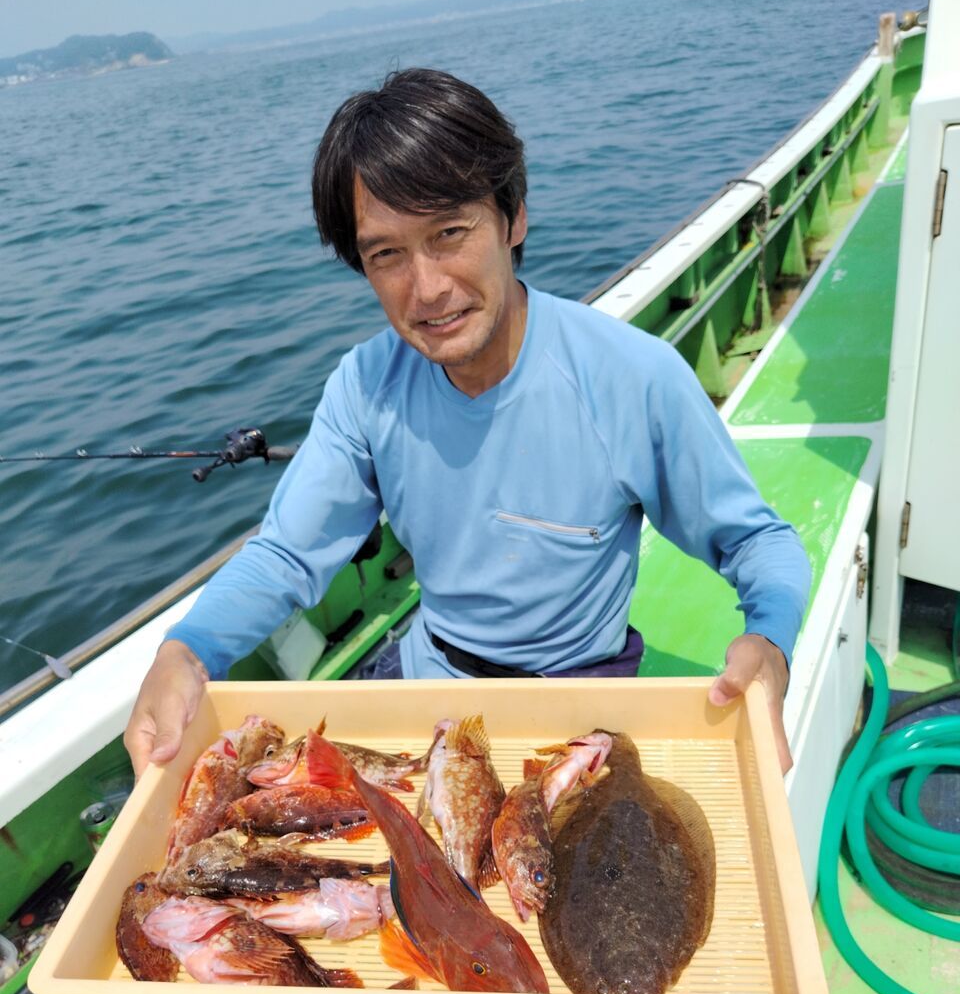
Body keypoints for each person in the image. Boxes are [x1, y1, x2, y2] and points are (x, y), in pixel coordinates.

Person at [124, 68, 810, 780]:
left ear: (514, 218)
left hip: (575, 704)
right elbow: (289, 554)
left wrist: (771, 643)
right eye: (386, 255)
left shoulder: (632, 378)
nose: (427, 289)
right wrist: (187, 650)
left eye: (450, 232)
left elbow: (757, 541)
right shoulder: (365, 385)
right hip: (428, 677)